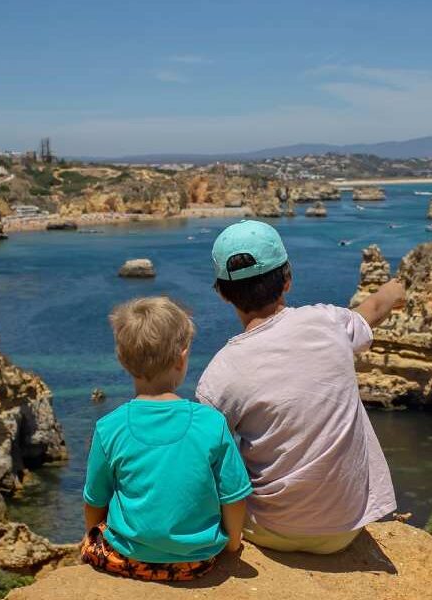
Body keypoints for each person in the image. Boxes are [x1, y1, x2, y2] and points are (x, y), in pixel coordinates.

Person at [197, 220, 406, 554]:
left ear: (222, 293)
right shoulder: (329, 322)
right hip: (346, 527)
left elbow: (203, 456)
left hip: (268, 528)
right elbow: (374, 309)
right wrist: (395, 290)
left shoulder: (219, 374)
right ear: (288, 280)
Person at [81, 296, 253, 581]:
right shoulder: (211, 423)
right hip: (196, 561)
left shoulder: (108, 427)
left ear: (122, 360)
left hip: (128, 558)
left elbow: (94, 501)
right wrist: (232, 543)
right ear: (181, 358)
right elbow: (234, 497)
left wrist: (92, 534)